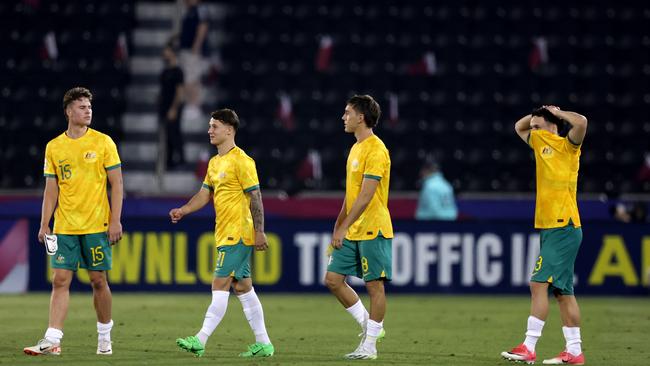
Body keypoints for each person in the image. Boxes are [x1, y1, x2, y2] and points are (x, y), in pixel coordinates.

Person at [24, 87, 123, 356]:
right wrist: (45, 223)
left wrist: (115, 220)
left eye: (89, 106)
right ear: (68, 111)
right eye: (81, 106)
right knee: (59, 280)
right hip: (64, 226)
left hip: (96, 225)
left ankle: (104, 336)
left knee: (98, 280)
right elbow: (51, 189)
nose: (88, 110)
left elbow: (117, 183)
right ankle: (52, 339)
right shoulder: (54, 147)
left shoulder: (104, 142)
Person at [170, 109, 274, 358]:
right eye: (209, 126)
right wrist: (184, 210)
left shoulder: (243, 161)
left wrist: (259, 231)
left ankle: (200, 339)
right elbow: (205, 194)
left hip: (237, 233)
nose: (209, 130)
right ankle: (264, 343)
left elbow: (256, 197)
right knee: (243, 288)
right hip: (224, 232)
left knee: (220, 284)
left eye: (214, 126)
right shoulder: (215, 163)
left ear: (229, 129)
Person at [501, 106, 588, 365]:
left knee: (538, 284)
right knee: (563, 293)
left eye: (539, 126)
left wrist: (557, 113)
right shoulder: (539, 143)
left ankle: (528, 346)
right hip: (552, 227)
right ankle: (574, 351)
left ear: (554, 126)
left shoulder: (568, 146)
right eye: (535, 127)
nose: (534, 131)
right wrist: (537, 114)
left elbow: (581, 122)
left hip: (564, 225)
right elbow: (519, 126)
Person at [324, 95, 392, 360]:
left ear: (361, 117)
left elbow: (366, 196)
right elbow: (351, 195)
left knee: (374, 286)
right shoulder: (355, 148)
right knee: (333, 280)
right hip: (352, 228)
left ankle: (370, 346)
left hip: (373, 227)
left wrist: (344, 227)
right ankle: (370, 325)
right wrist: (339, 224)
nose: (344, 117)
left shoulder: (376, 149)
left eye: (347, 112)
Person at [178, 0, 209, 119]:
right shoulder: (189, 11)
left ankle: (194, 105)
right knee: (186, 78)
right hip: (186, 49)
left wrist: (196, 46)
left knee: (192, 79)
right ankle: (190, 104)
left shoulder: (201, 9)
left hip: (193, 51)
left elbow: (203, 26)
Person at [159, 42, 185, 169]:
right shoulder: (164, 71)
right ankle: (169, 161)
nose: (165, 53)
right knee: (168, 134)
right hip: (164, 106)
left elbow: (179, 92)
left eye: (167, 50)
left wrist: (174, 108)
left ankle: (180, 159)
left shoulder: (178, 71)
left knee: (175, 133)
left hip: (173, 106)